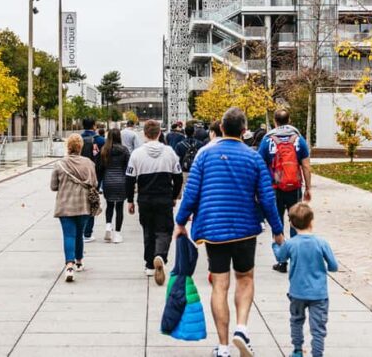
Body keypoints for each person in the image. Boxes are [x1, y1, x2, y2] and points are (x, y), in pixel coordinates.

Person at [175, 107, 285, 357]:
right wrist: (278, 230)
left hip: (214, 230)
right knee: (245, 279)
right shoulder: (254, 157)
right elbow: (267, 198)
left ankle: (223, 347)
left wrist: (180, 222)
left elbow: (191, 194)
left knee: (220, 285)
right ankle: (242, 328)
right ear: (244, 131)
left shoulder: (204, 155)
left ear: (221, 128)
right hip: (245, 229)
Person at [272, 203, 338, 357]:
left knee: (296, 321)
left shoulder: (291, 244)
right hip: (319, 294)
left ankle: (297, 350)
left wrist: (276, 244)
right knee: (318, 328)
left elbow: (280, 257)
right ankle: (317, 353)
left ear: (292, 224)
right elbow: (334, 266)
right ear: (311, 222)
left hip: (297, 292)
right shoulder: (321, 243)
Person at [126, 119, 183, 286]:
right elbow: (178, 177)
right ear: (159, 133)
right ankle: (161, 255)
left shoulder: (136, 154)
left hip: (145, 198)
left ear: (144, 133)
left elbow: (129, 179)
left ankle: (150, 264)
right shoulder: (170, 152)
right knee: (165, 230)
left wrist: (130, 200)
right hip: (164, 197)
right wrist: (174, 195)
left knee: (148, 230)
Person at [258, 109, 312, 273]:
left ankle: (282, 261)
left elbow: (259, 165)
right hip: (294, 187)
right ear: (289, 120)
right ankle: (296, 260)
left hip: (273, 187)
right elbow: (306, 166)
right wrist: (308, 187)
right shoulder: (298, 140)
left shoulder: (267, 140)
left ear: (274, 121)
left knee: (277, 222)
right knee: (295, 221)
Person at [51, 133, 99, 282]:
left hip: (65, 205)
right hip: (83, 205)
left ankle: (69, 266)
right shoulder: (89, 163)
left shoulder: (59, 164)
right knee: (79, 234)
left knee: (68, 235)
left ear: (68, 147)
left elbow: (53, 186)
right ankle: (79, 262)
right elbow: (95, 183)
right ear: (80, 147)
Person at [97, 128, 130, 243]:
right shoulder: (125, 150)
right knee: (119, 208)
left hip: (108, 181)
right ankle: (117, 234)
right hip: (121, 181)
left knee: (109, 205)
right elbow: (128, 169)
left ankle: (108, 226)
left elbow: (100, 169)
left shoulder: (104, 150)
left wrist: (98, 185)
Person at [80, 118, 104, 242]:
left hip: (79, 174)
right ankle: (87, 233)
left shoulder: (78, 139)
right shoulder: (100, 140)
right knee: (92, 201)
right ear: (94, 126)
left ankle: (80, 230)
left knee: (80, 201)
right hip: (95, 174)